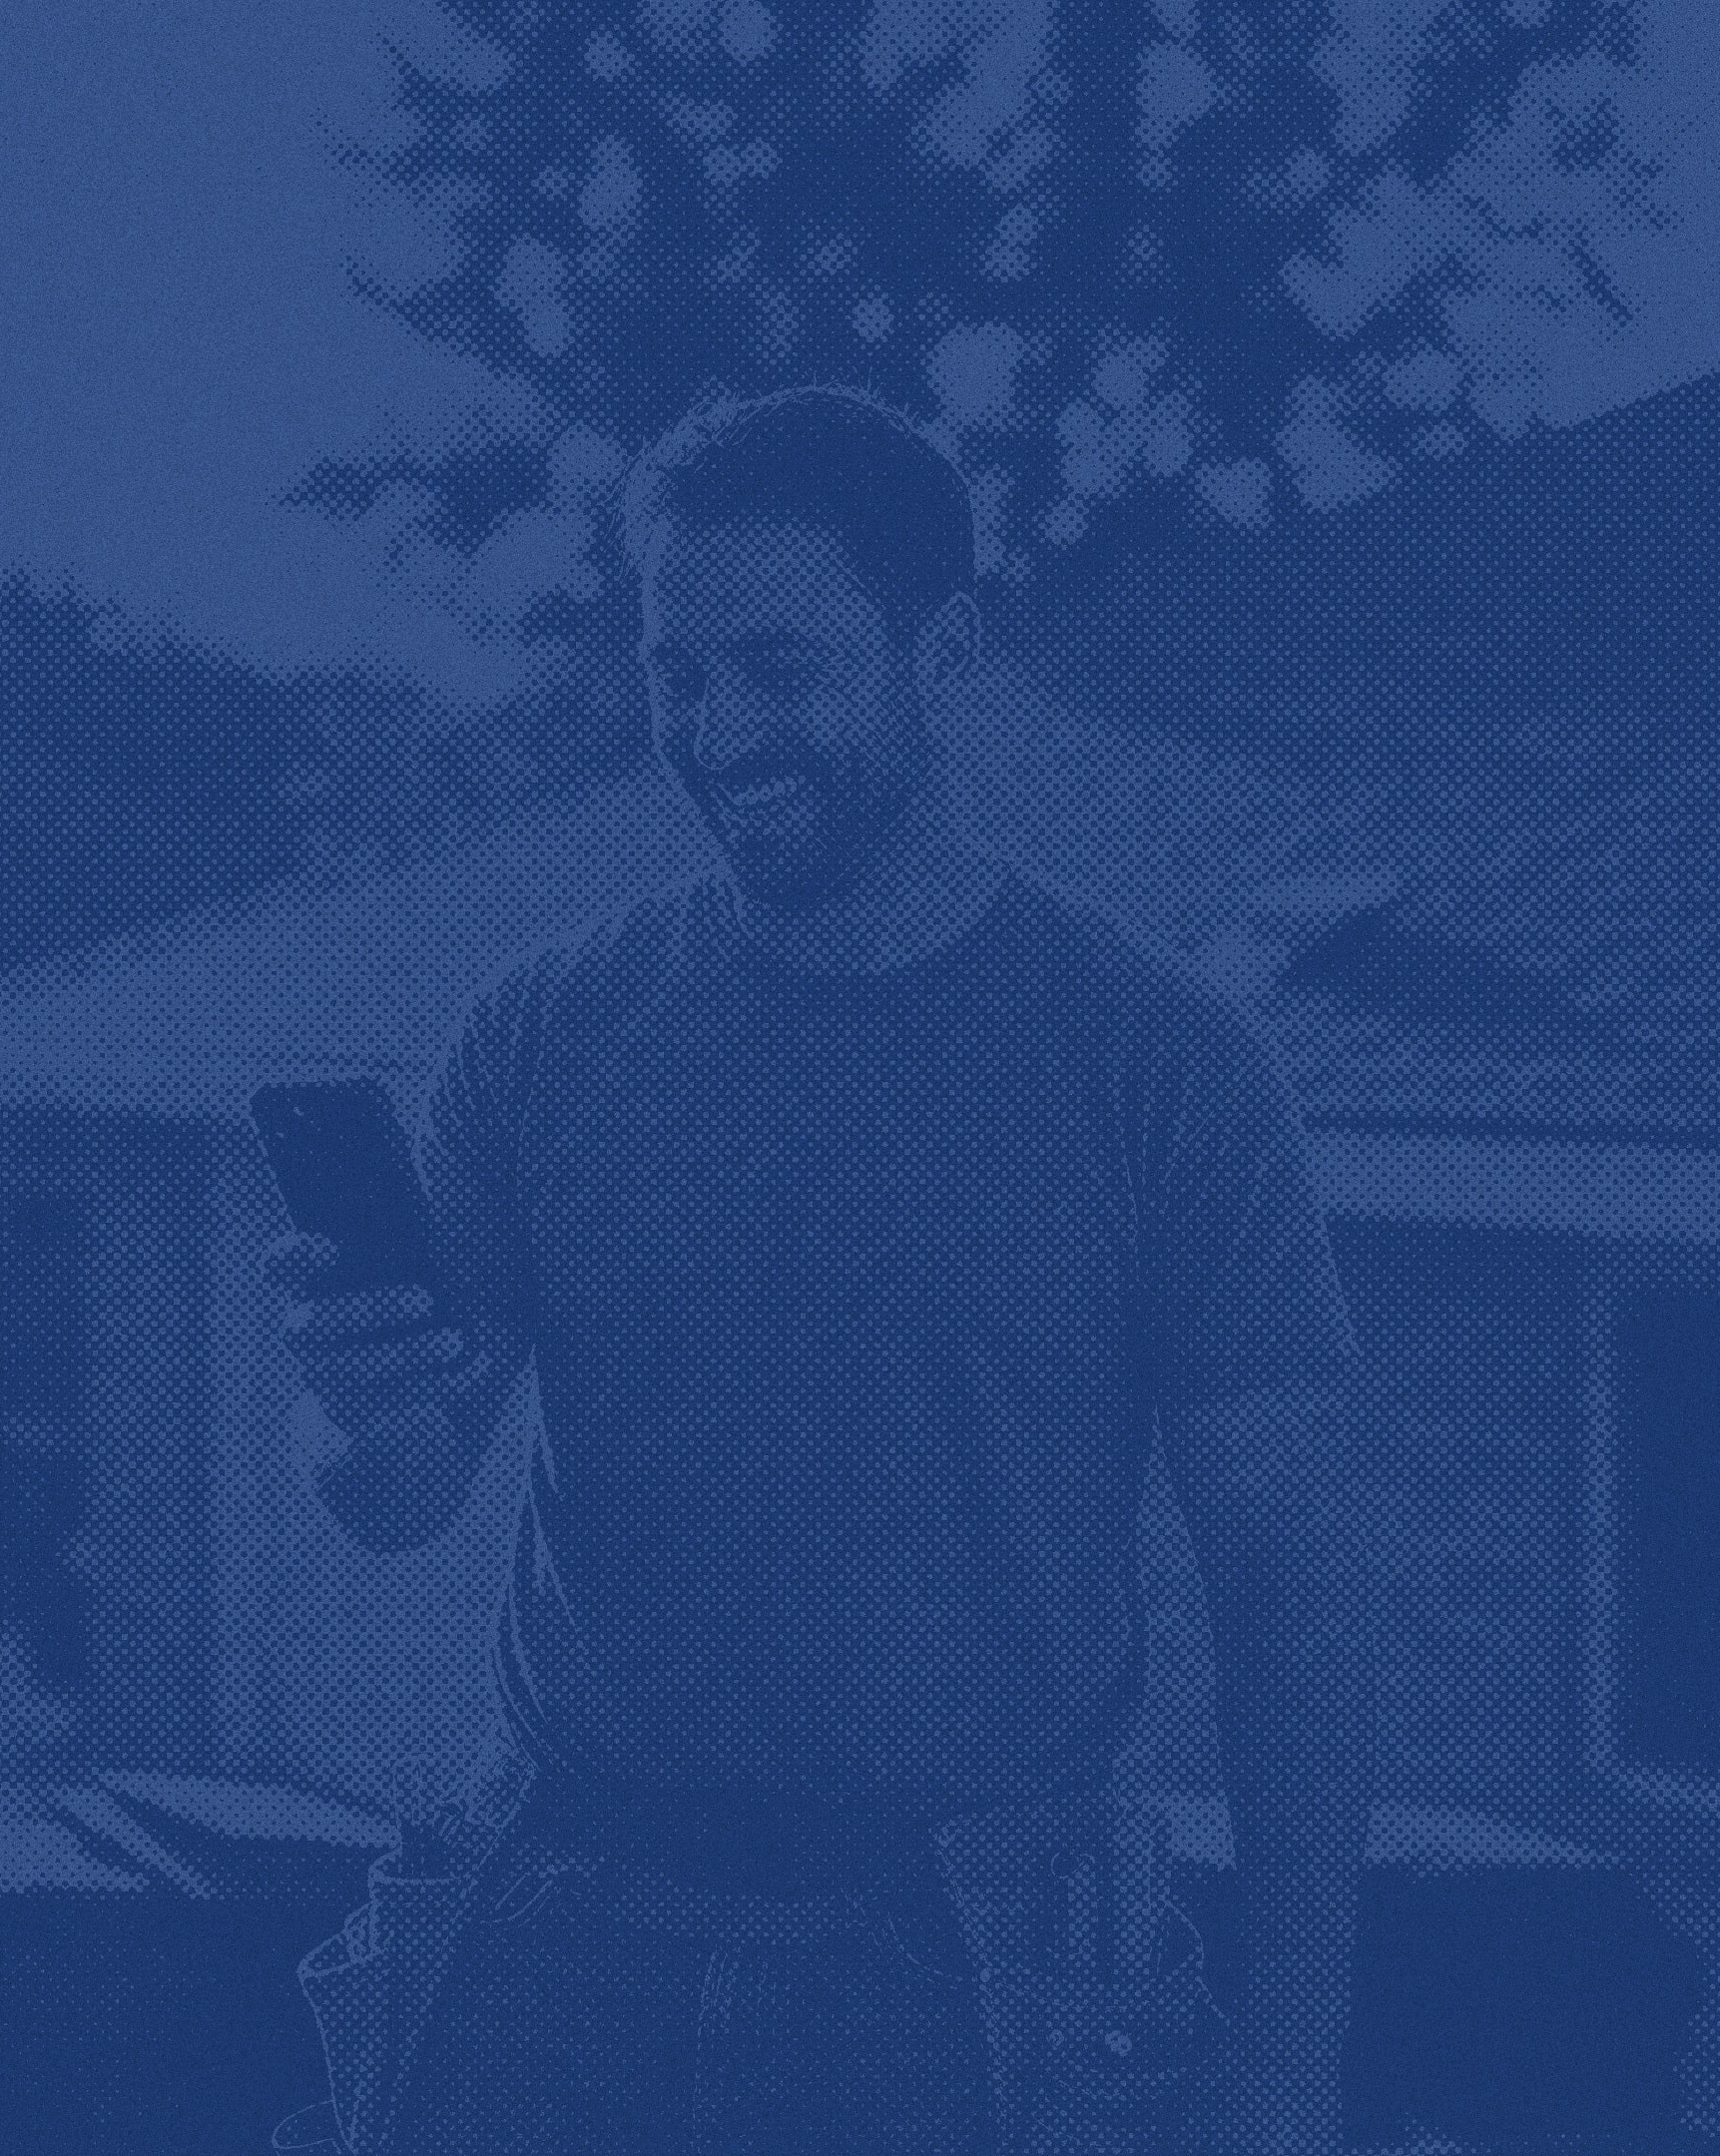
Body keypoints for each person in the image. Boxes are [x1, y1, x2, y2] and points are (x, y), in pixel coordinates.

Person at [272, 385, 1373, 2155]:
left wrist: (1289, 2076)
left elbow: (1293, 1587)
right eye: (676, 675)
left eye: (781, 669)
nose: (719, 732)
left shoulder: (1158, 1058)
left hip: (967, 1968)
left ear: (941, 653)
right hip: (560, 1941)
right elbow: (401, 1494)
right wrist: (348, 1408)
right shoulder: (546, 1033)